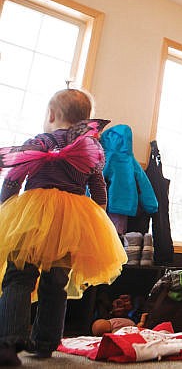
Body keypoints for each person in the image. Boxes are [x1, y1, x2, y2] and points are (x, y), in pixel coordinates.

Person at [0, 89, 127, 366]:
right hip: (69, 222)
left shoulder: (38, 141)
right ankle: (45, 342)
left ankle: (9, 342)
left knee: (19, 278)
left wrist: (6, 207)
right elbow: (99, 187)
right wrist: (98, 216)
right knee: (56, 283)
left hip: (33, 218)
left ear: (51, 115)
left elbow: (13, 178)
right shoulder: (90, 148)